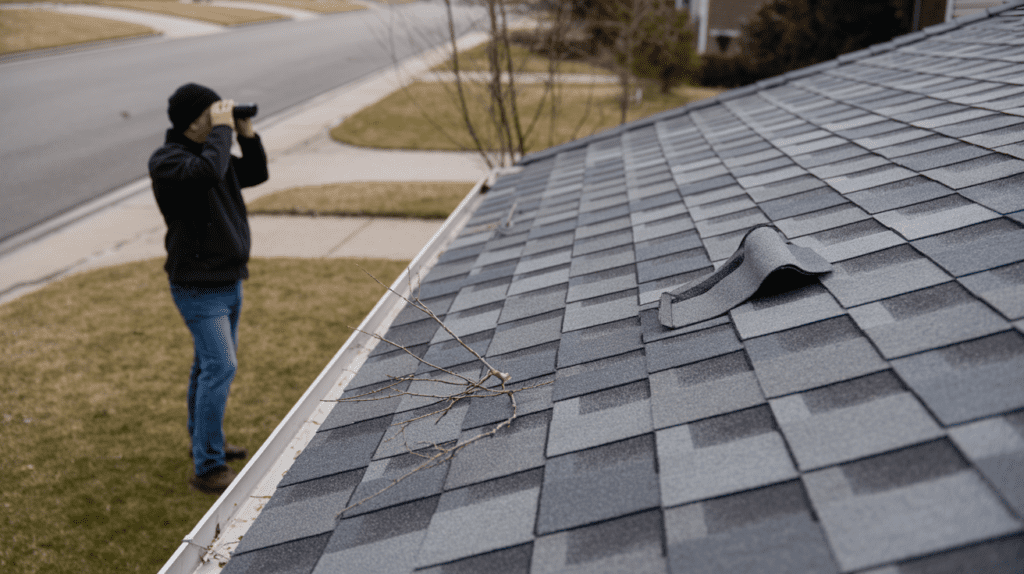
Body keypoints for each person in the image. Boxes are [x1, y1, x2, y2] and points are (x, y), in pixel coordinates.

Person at [149, 83, 268, 494]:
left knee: (207, 365)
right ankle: (208, 468)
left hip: (228, 278)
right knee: (222, 366)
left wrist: (246, 134)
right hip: (198, 287)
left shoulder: (211, 155)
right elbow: (206, 174)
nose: (218, 120)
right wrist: (223, 132)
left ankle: (204, 442)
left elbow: (254, 173)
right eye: (210, 114)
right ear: (190, 121)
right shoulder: (169, 161)